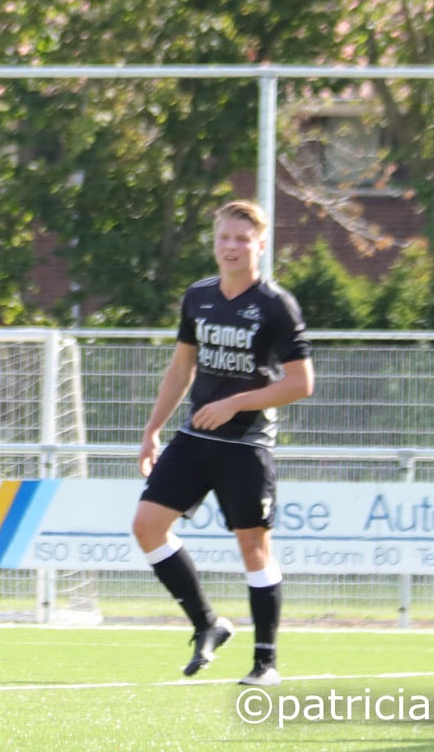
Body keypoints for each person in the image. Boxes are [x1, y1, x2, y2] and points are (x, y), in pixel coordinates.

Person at [132, 200, 314, 688]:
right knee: (147, 525)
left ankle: (266, 663)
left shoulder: (276, 305)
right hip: (194, 437)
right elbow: (181, 368)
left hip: (246, 443)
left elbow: (300, 383)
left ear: (260, 244)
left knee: (252, 547)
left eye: (241, 239)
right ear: (214, 243)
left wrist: (237, 404)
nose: (231, 247)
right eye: (223, 239)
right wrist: (152, 429)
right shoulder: (198, 297)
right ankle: (206, 623)